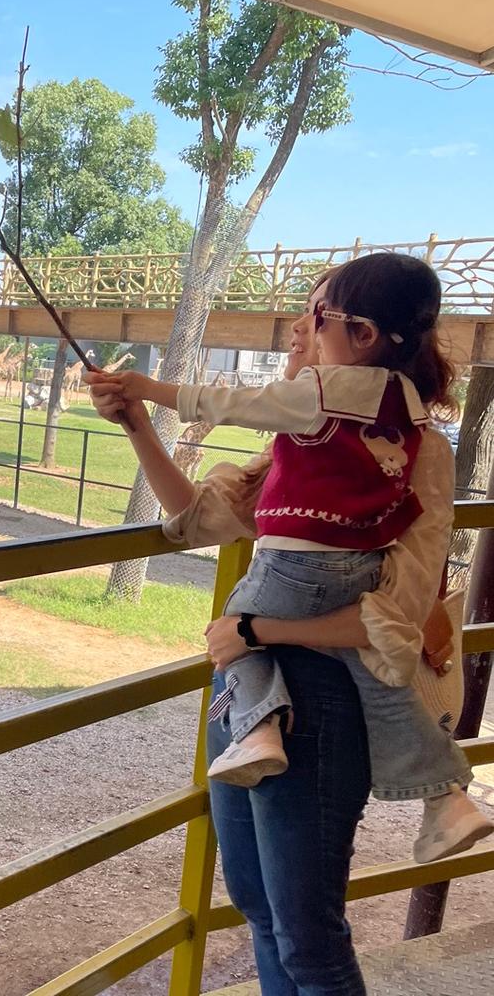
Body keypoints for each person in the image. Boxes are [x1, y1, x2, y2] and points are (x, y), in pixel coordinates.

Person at [83, 264, 481, 993]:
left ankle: (442, 793)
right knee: (260, 907)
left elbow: (391, 615)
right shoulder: (300, 448)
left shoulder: (415, 449)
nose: (298, 328)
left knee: (307, 932)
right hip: (244, 693)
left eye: (314, 313)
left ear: (358, 338)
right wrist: (140, 427)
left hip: (322, 703)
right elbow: (199, 519)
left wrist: (257, 632)